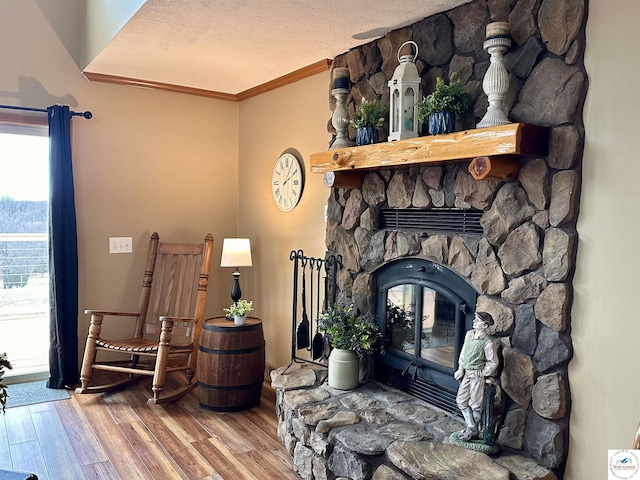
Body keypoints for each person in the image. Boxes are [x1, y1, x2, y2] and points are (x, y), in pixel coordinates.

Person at [454, 311, 498, 442]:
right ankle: (472, 427)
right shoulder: (469, 335)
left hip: (476, 376)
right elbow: (463, 354)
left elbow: (493, 362)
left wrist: (483, 373)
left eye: (478, 321)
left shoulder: (487, 343)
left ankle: (472, 430)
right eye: (475, 319)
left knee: (475, 404)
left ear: (485, 326)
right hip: (467, 373)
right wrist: (460, 369)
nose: (474, 322)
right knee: (461, 400)